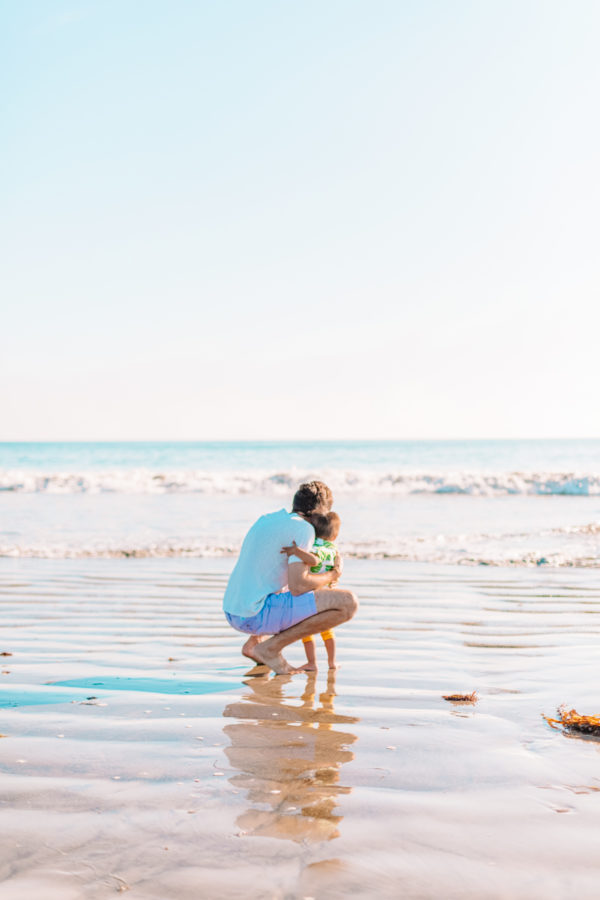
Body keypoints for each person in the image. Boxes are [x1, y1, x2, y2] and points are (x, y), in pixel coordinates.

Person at [222, 481, 358, 675]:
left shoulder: (267, 519)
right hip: (253, 615)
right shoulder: (304, 529)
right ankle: (270, 648)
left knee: (281, 584)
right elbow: (298, 587)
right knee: (348, 603)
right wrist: (331, 575)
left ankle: (254, 644)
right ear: (317, 512)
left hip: (233, 610)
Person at [280, 511, 341, 671]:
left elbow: (313, 560)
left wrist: (296, 551)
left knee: (307, 632)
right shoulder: (334, 549)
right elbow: (337, 568)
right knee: (327, 632)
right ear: (334, 536)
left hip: (310, 597)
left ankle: (312, 663)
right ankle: (332, 662)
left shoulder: (315, 546)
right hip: (327, 597)